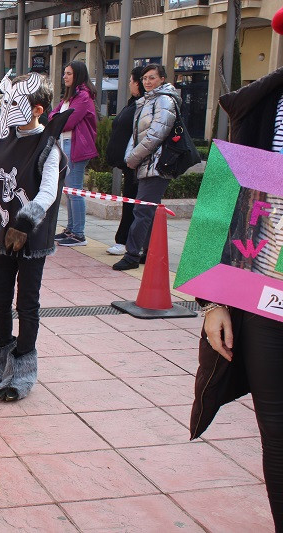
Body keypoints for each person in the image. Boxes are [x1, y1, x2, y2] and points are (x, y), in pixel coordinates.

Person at [192, 62, 283, 529]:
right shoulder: (263, 107)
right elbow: (218, 203)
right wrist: (213, 302)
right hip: (268, 303)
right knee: (278, 437)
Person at [0, 72, 70, 402]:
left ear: (36, 108)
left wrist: (27, 219)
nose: (7, 108)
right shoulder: (3, 139)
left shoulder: (49, 145)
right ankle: (0, 362)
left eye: (15, 102)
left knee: (27, 304)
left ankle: (22, 370)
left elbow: (48, 191)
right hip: (5, 233)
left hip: (31, 236)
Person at [112, 64, 180, 270]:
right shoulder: (149, 100)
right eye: (144, 78)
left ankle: (132, 255)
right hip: (147, 163)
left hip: (156, 164)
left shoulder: (164, 101)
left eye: (152, 78)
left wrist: (132, 158)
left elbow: (155, 136)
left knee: (142, 211)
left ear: (162, 79)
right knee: (146, 210)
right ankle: (146, 253)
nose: (147, 82)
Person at [49, 60, 98, 247]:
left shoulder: (83, 97)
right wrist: (57, 118)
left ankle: (78, 233)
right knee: (69, 191)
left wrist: (57, 119)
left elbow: (67, 122)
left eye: (68, 73)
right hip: (65, 144)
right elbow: (54, 114)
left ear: (77, 75)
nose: (65, 76)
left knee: (74, 191)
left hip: (75, 147)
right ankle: (71, 229)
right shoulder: (70, 97)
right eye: (64, 73)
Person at [105, 66, 146, 256]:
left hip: (137, 163)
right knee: (129, 201)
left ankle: (128, 243)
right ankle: (127, 241)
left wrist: (133, 158)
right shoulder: (134, 103)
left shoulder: (143, 105)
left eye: (130, 80)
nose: (129, 84)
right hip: (129, 164)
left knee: (135, 204)